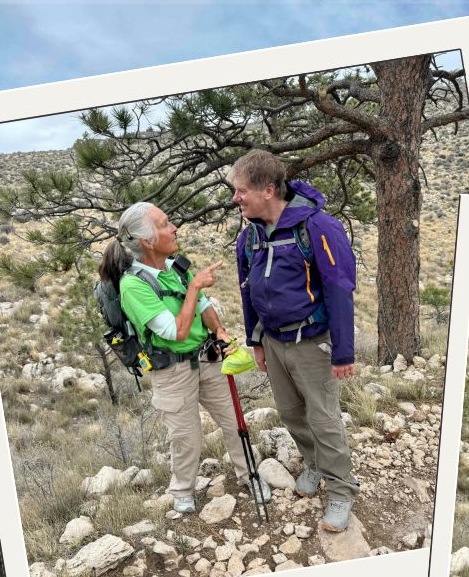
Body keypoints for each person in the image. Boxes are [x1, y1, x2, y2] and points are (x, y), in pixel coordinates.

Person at [99, 201, 272, 515]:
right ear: (147, 241)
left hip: (208, 358)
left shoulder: (177, 266)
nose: (174, 227)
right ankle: (182, 491)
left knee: (235, 421)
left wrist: (218, 330)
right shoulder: (133, 286)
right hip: (171, 371)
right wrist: (193, 287)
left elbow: (204, 306)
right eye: (165, 224)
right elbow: (174, 332)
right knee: (186, 435)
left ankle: (250, 474)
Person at [230, 149, 359, 532]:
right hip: (273, 341)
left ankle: (341, 491)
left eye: (241, 192)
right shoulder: (249, 236)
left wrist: (343, 352)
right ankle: (314, 463)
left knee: (324, 418)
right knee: (289, 412)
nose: (235, 199)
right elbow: (247, 289)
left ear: (268, 190)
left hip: (312, 342)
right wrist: (256, 342)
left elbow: (339, 289)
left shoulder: (318, 227)